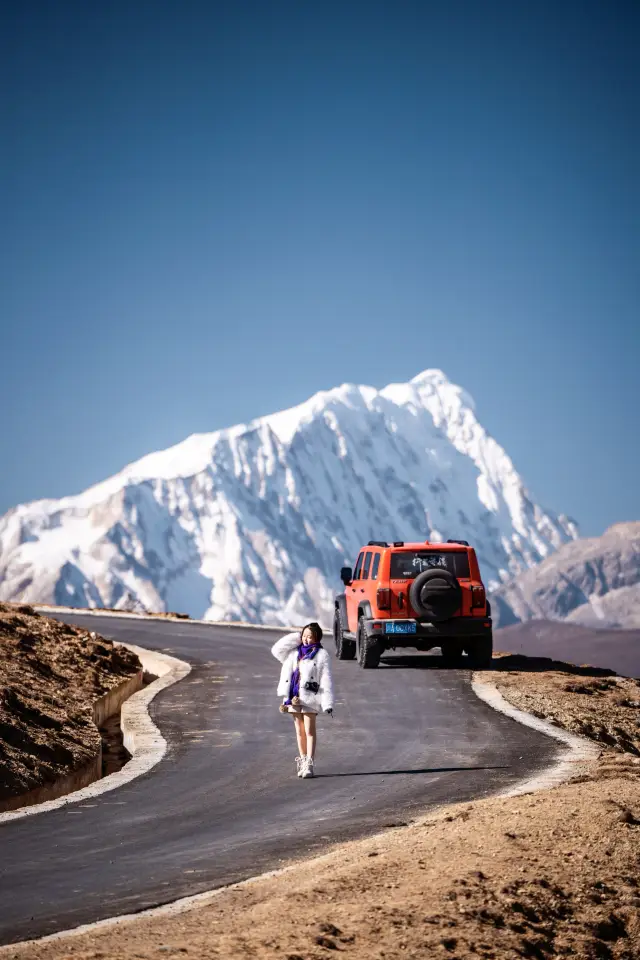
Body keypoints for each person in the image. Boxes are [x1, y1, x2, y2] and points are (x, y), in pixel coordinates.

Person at [271, 622, 334, 779]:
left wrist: (327, 702)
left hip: (310, 697)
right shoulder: (293, 652)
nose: (306, 639)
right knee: (299, 732)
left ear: (317, 638)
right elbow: (276, 650)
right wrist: (296, 637)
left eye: (309, 637)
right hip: (292, 697)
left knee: (309, 731)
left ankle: (309, 765)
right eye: (304, 636)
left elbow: (326, 679)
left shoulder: (321, 655)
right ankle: (303, 760)